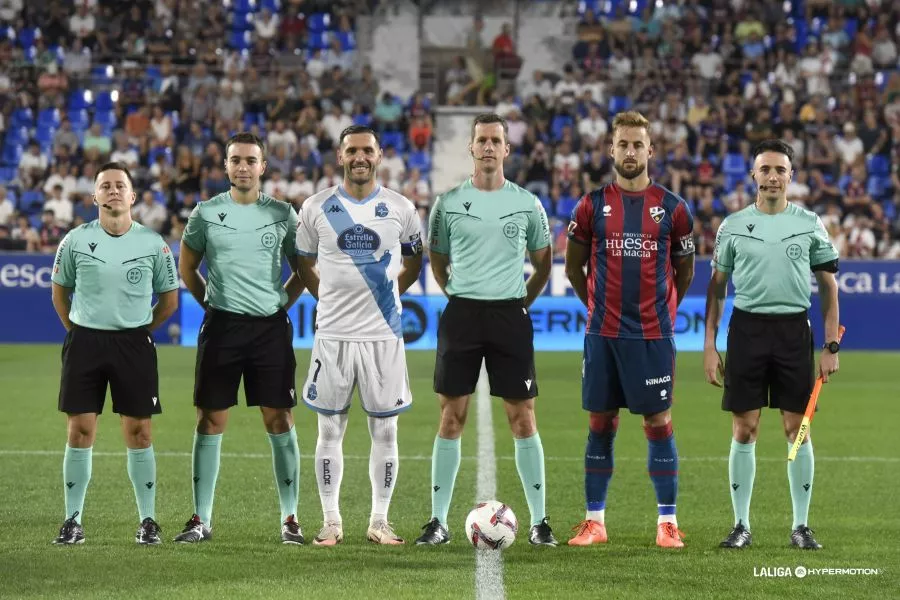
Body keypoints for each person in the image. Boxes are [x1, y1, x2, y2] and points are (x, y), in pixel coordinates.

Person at [416, 113, 555, 546]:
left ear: (507, 150)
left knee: (523, 417)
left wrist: (519, 303)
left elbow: (544, 261)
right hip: (462, 315)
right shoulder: (448, 202)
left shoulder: (527, 203)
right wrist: (458, 292)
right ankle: (437, 522)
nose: (490, 147)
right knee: (451, 416)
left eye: (497, 140)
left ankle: (539, 522)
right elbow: (436, 257)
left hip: (510, 316)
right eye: (483, 141)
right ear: (472, 149)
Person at [564, 111, 695, 549]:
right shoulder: (590, 205)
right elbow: (573, 267)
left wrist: (661, 308)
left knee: (659, 422)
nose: (631, 151)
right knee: (600, 423)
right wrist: (597, 306)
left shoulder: (674, 209)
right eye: (624, 144)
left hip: (653, 335)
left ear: (650, 150)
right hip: (602, 334)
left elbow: (685, 270)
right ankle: (594, 522)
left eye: (639, 144)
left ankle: (667, 523)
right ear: (611, 149)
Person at [704, 139, 840, 550]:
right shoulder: (731, 225)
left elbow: (829, 288)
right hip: (746, 331)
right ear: (753, 175)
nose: (773, 177)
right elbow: (716, 289)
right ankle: (741, 525)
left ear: (791, 176)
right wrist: (709, 345)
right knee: (744, 429)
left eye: (780, 169)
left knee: (796, 428)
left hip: (793, 333)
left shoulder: (810, 223)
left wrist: (831, 345)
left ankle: (801, 526)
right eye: (765, 169)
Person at [174, 132, 306, 544]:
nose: (243, 167)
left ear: (263, 166)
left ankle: (290, 519)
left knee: (280, 417)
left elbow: (302, 267)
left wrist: (281, 302)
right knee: (210, 420)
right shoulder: (206, 213)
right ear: (226, 166)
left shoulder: (284, 214)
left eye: (251, 160)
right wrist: (211, 304)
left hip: (269, 328)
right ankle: (201, 519)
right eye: (236, 160)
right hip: (222, 327)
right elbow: (187, 267)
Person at [295, 125, 424, 546]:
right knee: (328, 430)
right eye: (352, 150)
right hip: (332, 334)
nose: (360, 157)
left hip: (383, 336)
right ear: (340, 156)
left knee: (385, 433)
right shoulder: (316, 208)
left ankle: (379, 521)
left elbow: (414, 262)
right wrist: (328, 297)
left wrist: (386, 296)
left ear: (380, 155)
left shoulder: (401, 208)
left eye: (367, 150)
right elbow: (303, 264)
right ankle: (331, 521)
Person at [50, 161, 179, 545]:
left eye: (119, 185)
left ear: (133, 195)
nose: (113, 191)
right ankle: (73, 520)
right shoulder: (73, 240)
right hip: (85, 343)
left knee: (139, 433)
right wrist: (77, 331)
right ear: (94, 195)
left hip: (133, 344)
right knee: (80, 430)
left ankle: (148, 521)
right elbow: (60, 293)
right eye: (104, 186)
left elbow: (169, 300)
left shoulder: (153, 243)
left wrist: (139, 331)